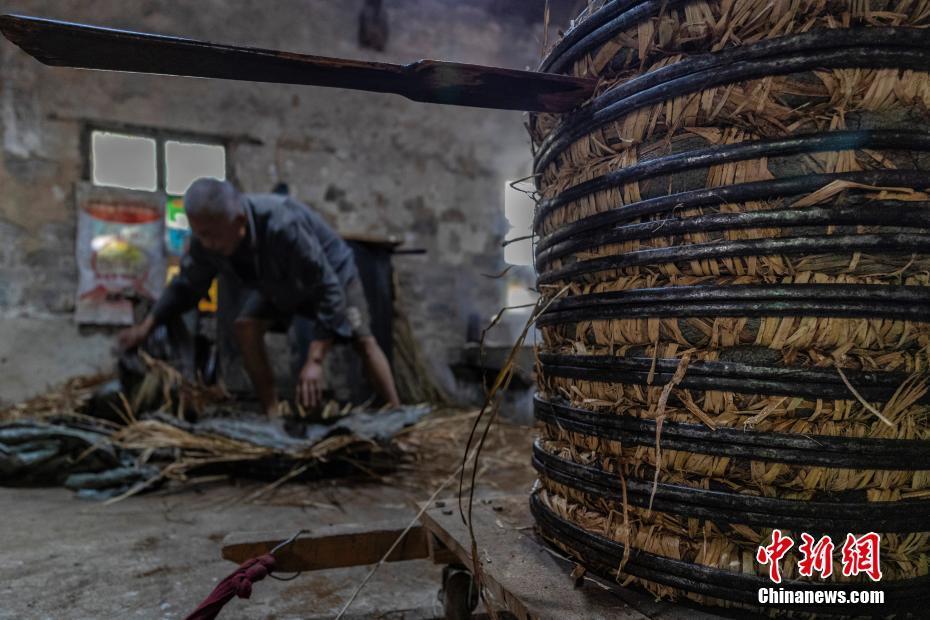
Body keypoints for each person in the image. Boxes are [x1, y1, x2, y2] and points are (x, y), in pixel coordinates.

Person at [119, 178, 401, 415]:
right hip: (277, 285)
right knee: (246, 325)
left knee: (363, 340)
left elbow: (326, 287)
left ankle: (397, 413)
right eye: (199, 235)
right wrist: (146, 328)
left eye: (211, 236)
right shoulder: (208, 242)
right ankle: (272, 414)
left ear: (239, 221)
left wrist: (315, 360)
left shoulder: (283, 224)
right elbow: (185, 285)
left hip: (333, 276)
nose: (206, 245)